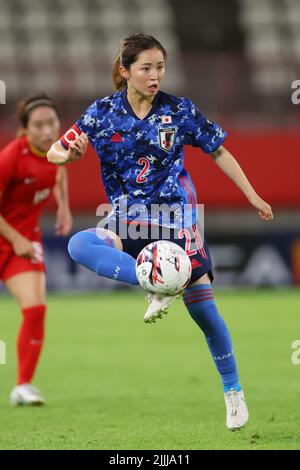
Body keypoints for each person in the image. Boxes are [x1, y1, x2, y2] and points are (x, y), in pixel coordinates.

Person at [47, 33, 273, 430]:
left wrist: (252, 194)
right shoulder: (101, 113)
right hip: (126, 219)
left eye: (160, 67)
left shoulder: (179, 111)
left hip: (177, 220)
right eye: (146, 68)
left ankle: (233, 392)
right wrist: (71, 153)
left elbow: (218, 149)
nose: (155, 76)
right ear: (125, 71)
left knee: (205, 313)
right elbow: (54, 151)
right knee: (80, 244)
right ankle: (152, 282)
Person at [0, 93, 73, 405]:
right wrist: (14, 238)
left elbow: (60, 170)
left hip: (24, 241)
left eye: (52, 124)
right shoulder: (11, 158)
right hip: (11, 237)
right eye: (39, 126)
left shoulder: (57, 151)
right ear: (25, 129)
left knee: (35, 310)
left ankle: (22, 386)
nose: (47, 132)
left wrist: (64, 207)